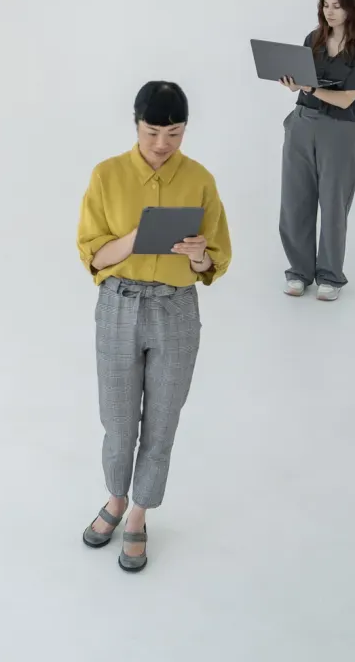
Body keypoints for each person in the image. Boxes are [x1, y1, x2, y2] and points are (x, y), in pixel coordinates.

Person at [76, 82, 231, 572]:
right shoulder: (107, 175)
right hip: (119, 306)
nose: (162, 144)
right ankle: (116, 498)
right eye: (152, 132)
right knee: (118, 419)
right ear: (136, 125)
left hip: (176, 310)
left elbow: (216, 261)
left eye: (175, 133)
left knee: (162, 421)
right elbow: (94, 255)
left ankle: (140, 513)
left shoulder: (201, 180)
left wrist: (199, 253)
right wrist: (138, 238)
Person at [277, 0, 355, 301]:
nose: (330, 11)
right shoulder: (314, 39)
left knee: (333, 205)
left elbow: (348, 99)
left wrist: (311, 88)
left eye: (337, 5)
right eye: (326, 4)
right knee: (295, 202)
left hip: (339, 130)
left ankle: (330, 276)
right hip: (302, 124)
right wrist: (294, 84)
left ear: (352, 8)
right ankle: (298, 272)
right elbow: (303, 83)